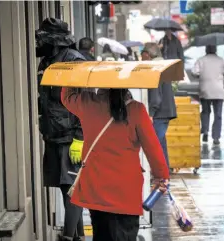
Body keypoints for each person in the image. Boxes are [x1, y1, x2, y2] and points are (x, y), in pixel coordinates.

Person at [60, 87, 170, 241]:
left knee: (102, 234)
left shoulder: (88, 104)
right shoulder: (136, 110)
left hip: (96, 189)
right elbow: (153, 148)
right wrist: (161, 177)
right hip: (126, 192)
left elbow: (67, 96)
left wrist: (73, 74)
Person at [35, 18, 86, 241]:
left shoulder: (74, 62)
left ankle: (68, 237)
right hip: (53, 134)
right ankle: (78, 235)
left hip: (70, 137)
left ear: (56, 42)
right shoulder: (47, 62)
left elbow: (85, 103)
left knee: (72, 189)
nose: (39, 44)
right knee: (65, 187)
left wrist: (80, 138)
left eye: (44, 39)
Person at [141, 42, 177, 173]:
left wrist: (151, 113)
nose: (141, 59)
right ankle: (164, 174)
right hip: (165, 111)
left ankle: (161, 175)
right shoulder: (162, 66)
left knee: (155, 145)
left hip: (159, 113)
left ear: (147, 54)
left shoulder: (155, 69)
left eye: (142, 55)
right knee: (160, 144)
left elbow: (156, 96)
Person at [192, 45, 224, 145]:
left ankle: (205, 130)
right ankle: (216, 137)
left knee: (205, 111)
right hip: (218, 90)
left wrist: (200, 75)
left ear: (206, 50)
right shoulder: (221, 60)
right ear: (215, 50)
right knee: (218, 115)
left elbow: (194, 72)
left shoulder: (201, 60)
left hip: (205, 89)